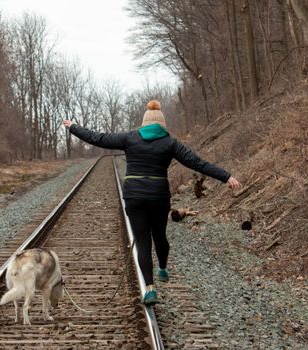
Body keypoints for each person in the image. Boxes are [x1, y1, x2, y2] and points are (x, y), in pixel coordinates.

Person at [63, 100, 241, 305]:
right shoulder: (170, 142)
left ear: (144, 123)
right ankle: (163, 268)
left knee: (143, 241)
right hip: (159, 197)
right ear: (162, 125)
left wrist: (74, 127)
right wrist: (226, 176)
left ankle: (149, 289)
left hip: (134, 197)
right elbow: (197, 163)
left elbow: (99, 138)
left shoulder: (130, 137)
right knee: (160, 235)